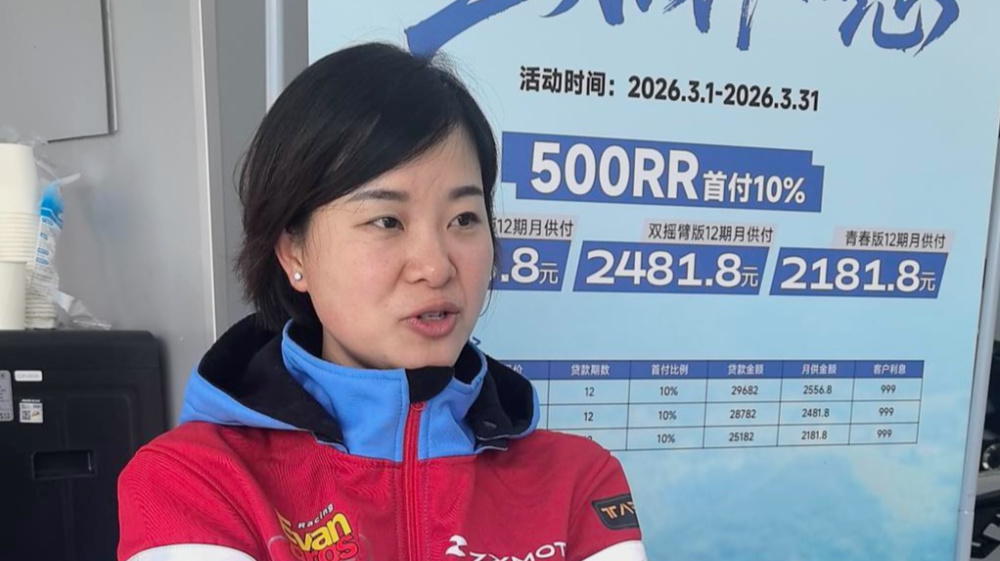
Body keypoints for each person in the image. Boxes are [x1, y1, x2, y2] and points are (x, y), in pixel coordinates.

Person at [117, 42, 647, 561]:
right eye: (387, 221)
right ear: (293, 251)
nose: (436, 266)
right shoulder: (195, 480)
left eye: (464, 219)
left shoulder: (577, 482)